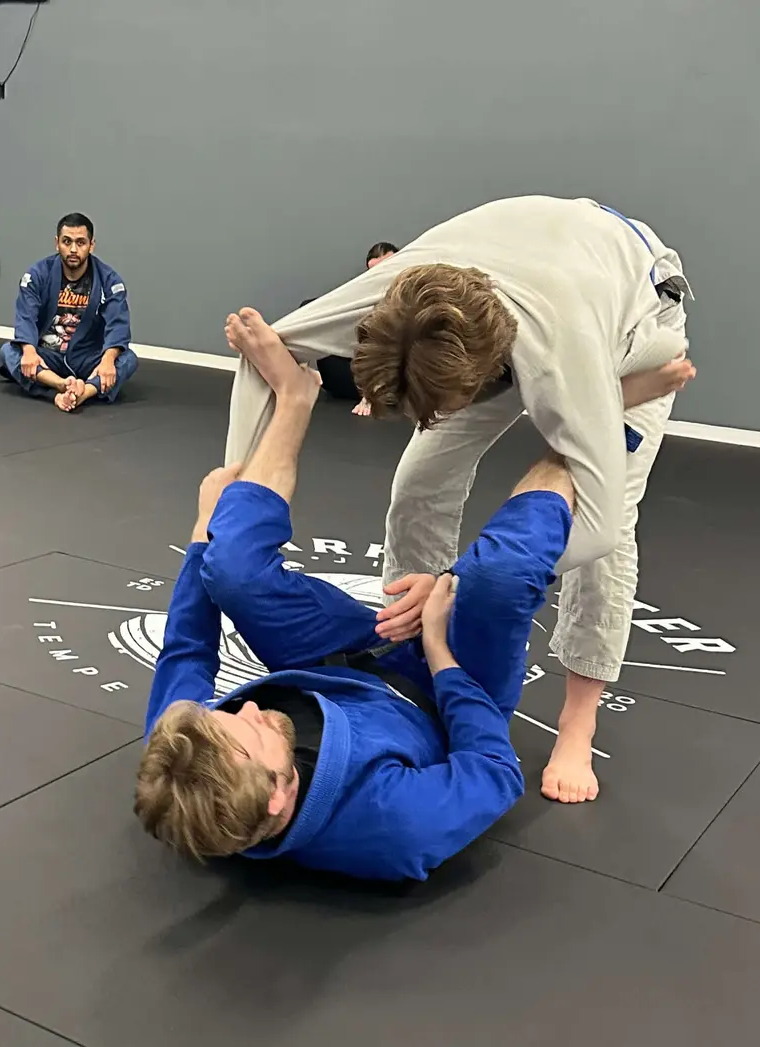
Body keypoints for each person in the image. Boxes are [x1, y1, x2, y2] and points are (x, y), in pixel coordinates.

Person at [218, 196, 699, 804]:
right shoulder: (387, 298)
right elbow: (266, 357)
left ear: (490, 370)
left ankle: (579, 721)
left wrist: (453, 581)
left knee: (606, 509)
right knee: (418, 479)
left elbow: (597, 530)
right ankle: (409, 648)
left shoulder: (563, 361)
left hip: (636, 317)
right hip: (526, 274)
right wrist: (230, 499)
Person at [133, 317, 576, 881]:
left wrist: (202, 530)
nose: (245, 706)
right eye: (252, 730)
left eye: (228, 714)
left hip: (342, 659)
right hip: (447, 691)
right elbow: (493, 771)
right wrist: (439, 650)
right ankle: (584, 440)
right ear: (277, 798)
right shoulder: (392, 830)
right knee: (502, 576)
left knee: (231, 567)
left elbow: (187, 648)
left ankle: (295, 394)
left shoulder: (185, 758)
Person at [0, 213, 137, 412]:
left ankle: (83, 393)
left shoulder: (109, 280)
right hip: (48, 355)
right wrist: (29, 351)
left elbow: (118, 324)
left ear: (91, 245)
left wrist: (107, 360)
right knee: (9, 352)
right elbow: (26, 316)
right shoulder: (38, 275)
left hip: (87, 356)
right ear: (57, 243)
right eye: (66, 241)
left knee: (127, 359)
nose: (73, 249)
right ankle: (61, 387)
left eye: (80, 243)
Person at [314, 241, 396, 414]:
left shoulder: (409, 300)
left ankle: (376, 391)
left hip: (391, 382)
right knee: (309, 308)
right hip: (357, 376)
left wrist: (370, 395)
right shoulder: (365, 301)